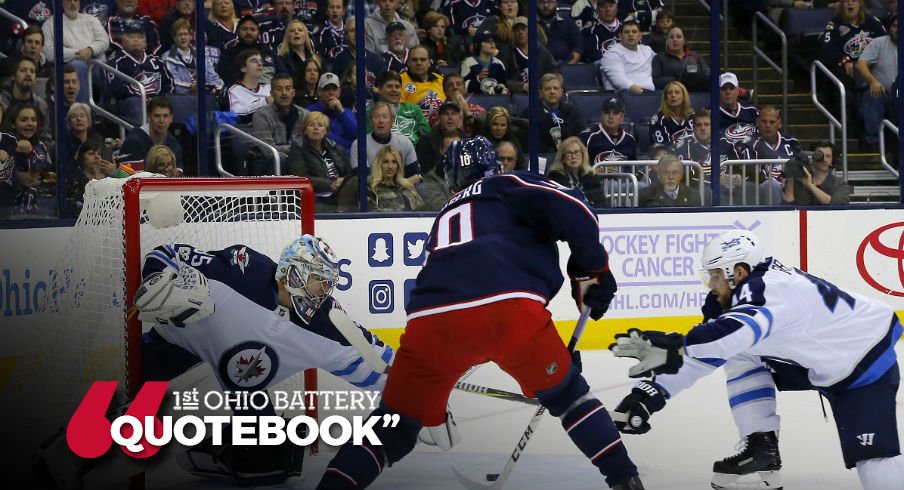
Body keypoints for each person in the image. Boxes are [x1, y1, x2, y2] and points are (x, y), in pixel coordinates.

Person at [315, 135, 645, 490]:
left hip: (430, 322)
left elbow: (460, 303)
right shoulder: (509, 183)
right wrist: (591, 268)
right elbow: (577, 209)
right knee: (569, 398)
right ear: (491, 165)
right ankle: (623, 478)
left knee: (392, 427)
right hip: (510, 312)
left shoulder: (445, 213)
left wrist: (432, 401)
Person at [37, 235, 396, 488]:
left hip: (241, 389)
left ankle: (213, 453)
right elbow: (170, 253)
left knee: (271, 461)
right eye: (320, 282)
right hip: (180, 350)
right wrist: (156, 277)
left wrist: (423, 387)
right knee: (129, 401)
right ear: (296, 272)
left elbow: (378, 366)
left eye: (327, 284)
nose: (324, 292)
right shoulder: (244, 268)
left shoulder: (327, 324)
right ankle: (67, 451)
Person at [609, 229, 902, 490]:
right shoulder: (743, 290)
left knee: (876, 469)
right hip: (829, 359)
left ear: (737, 271)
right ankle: (761, 445)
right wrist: (651, 393)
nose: (710, 283)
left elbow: (730, 336)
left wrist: (677, 346)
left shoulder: (767, 289)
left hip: (864, 363)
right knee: (740, 353)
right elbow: (716, 349)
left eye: (714, 274)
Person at [42, 0, 110, 103]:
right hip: (69, 66)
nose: (73, 4)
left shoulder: (91, 20)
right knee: (78, 66)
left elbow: (104, 40)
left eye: (75, 0)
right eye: (69, 1)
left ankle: (103, 111)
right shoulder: (50, 24)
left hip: (94, 63)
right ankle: (83, 110)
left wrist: (90, 50)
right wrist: (77, 53)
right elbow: (49, 52)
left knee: (102, 67)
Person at [285, 111, 351, 211]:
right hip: (315, 194)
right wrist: (329, 184)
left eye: (320, 125)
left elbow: (348, 172)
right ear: (305, 130)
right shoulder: (298, 149)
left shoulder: (335, 148)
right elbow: (302, 178)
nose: (316, 128)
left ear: (326, 131)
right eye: (311, 125)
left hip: (340, 190)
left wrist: (344, 181)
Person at [855, 13, 897, 149]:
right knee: (873, 95)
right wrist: (872, 81)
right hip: (883, 92)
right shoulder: (879, 42)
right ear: (889, 28)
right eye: (895, 26)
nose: (898, 29)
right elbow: (861, 63)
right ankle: (874, 142)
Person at [350, 101, 421, 182]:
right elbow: (364, 178)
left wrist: (400, 186)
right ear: (370, 120)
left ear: (392, 120)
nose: (380, 121)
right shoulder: (359, 144)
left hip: (401, 188)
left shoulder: (405, 142)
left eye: (385, 117)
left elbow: (416, 174)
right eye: (376, 117)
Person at [251, 73, 309, 170]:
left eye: (287, 88)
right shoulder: (261, 115)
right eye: (279, 89)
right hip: (266, 164)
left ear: (293, 92)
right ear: (272, 93)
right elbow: (268, 150)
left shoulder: (304, 114)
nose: (284, 93)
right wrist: (297, 150)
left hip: (297, 162)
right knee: (281, 159)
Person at [118, 96, 183, 171]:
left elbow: (178, 176)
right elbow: (128, 178)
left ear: (171, 118)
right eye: (157, 116)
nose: (161, 121)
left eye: (165, 116)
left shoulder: (174, 144)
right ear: (149, 117)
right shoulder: (134, 141)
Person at [162, 18, 224, 95]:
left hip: (204, 96)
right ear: (174, 38)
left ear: (190, 36)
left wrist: (215, 88)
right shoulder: (167, 58)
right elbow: (173, 83)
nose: (183, 38)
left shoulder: (201, 55)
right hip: (181, 99)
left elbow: (213, 77)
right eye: (180, 34)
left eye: (185, 34)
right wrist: (191, 87)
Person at [370, 71, 430, 147]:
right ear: (379, 89)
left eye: (397, 87)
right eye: (389, 86)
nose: (394, 90)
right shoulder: (371, 112)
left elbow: (428, 136)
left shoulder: (414, 109)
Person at [498, 16, 557, 94]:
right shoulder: (506, 52)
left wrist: (542, 85)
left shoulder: (541, 50)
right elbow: (501, 79)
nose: (520, 32)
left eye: (523, 29)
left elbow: (553, 71)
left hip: (539, 93)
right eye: (517, 30)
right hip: (516, 95)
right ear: (513, 33)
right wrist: (521, 86)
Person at [781, 140, 851, 205]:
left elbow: (836, 204)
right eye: (820, 155)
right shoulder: (799, 181)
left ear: (832, 161)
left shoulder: (839, 184)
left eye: (828, 156)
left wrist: (811, 186)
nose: (824, 159)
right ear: (812, 158)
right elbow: (787, 205)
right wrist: (790, 177)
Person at [548, 136, 608, 208]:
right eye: (569, 153)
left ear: (583, 156)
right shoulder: (555, 176)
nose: (573, 156)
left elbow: (601, 203)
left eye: (576, 152)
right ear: (562, 158)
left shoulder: (590, 175)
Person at [529, 73, 582, 154]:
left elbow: (579, 134)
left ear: (561, 91)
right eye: (547, 89)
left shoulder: (571, 111)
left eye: (556, 88)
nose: (552, 92)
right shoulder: (530, 113)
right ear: (540, 92)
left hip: (569, 155)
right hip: (543, 156)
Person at [0, 58, 51, 141]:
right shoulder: (2, 102)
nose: (28, 74)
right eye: (23, 70)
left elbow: (46, 139)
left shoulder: (41, 105)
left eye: (32, 71)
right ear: (13, 76)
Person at [600, 20, 655, 94]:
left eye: (634, 32)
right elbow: (620, 82)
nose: (631, 34)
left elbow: (663, 63)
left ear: (640, 35)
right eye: (626, 32)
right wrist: (643, 94)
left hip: (650, 94)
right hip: (624, 95)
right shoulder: (611, 54)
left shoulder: (647, 50)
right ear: (620, 35)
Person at [307, 72, 358, 152]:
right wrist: (348, 144)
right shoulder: (311, 112)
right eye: (326, 89)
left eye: (334, 89)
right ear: (319, 91)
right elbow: (325, 142)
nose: (331, 92)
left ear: (339, 92)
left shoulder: (346, 112)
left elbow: (357, 135)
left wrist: (342, 113)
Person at [365, 145, 424, 211]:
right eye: (385, 162)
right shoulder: (370, 188)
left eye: (394, 162)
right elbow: (372, 216)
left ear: (398, 165)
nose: (390, 166)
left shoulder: (407, 187)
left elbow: (422, 211)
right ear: (379, 164)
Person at [581, 97, 638, 166]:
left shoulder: (630, 140)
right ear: (601, 115)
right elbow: (579, 167)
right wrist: (594, 172)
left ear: (622, 117)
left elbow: (633, 168)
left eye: (615, 113)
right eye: (607, 112)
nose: (611, 116)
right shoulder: (587, 137)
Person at [652, 26, 711, 92]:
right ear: (667, 40)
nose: (675, 39)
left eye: (679, 37)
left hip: (696, 93)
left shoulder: (695, 56)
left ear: (684, 40)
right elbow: (656, 81)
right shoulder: (659, 58)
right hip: (671, 94)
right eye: (671, 37)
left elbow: (708, 75)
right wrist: (678, 79)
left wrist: (695, 76)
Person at [400, 45, 446, 119]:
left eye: (423, 59)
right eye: (414, 60)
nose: (419, 63)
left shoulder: (440, 80)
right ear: (408, 62)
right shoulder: (400, 81)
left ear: (429, 63)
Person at [228, 50, 274, 123]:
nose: (260, 64)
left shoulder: (269, 87)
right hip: (246, 131)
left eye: (261, 61)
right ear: (243, 68)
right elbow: (236, 114)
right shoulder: (234, 90)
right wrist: (264, 102)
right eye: (254, 61)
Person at [461, 30, 510, 95]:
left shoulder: (498, 63)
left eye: (493, 41)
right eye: (487, 41)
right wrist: (478, 78)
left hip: (496, 102)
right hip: (475, 102)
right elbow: (463, 87)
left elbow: (502, 84)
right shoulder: (468, 63)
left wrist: (503, 90)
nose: (492, 43)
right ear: (477, 45)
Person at [718, 72, 759, 146]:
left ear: (738, 91)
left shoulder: (752, 112)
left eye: (731, 88)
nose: (728, 92)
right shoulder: (711, 114)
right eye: (724, 89)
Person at [650, 81, 694, 147]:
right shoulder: (658, 119)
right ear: (665, 98)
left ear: (684, 96)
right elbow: (662, 147)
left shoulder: (693, 116)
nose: (673, 95)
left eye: (677, 92)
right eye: (669, 93)